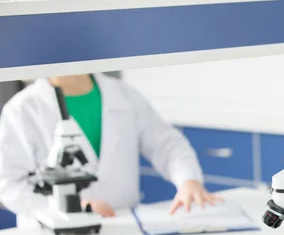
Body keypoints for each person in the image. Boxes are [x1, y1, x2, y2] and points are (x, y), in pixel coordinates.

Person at [0, 73, 220, 220]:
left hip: (122, 223)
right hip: (53, 232)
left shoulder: (124, 94)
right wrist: (71, 205)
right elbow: (8, 184)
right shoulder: (22, 110)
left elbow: (167, 144)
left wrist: (188, 181)